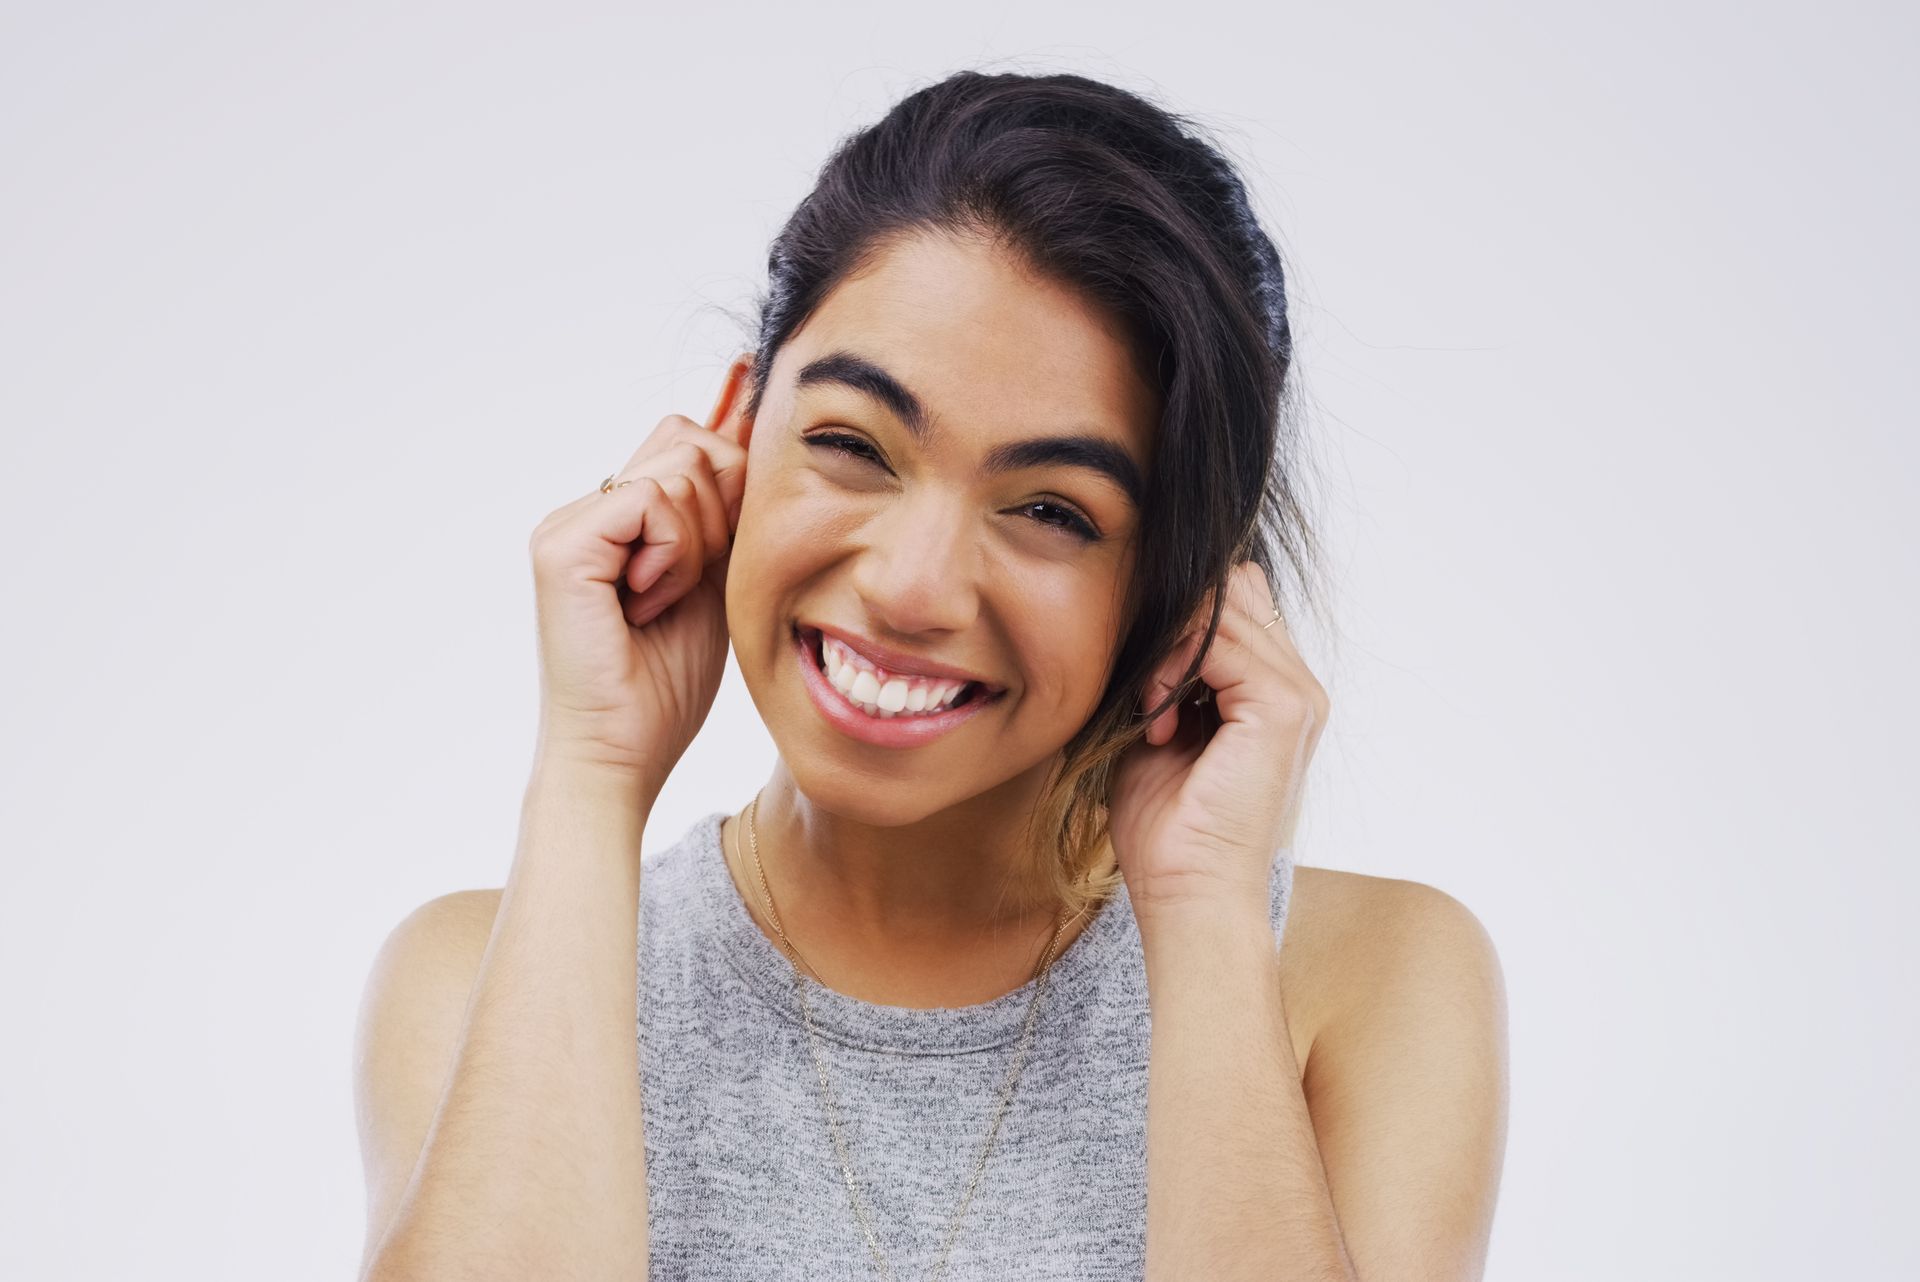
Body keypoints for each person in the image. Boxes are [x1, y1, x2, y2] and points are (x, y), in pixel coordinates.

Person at [351, 69, 1508, 1282]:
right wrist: (592, 773)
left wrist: (1207, 909)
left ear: (1179, 584)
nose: (912, 586)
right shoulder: (474, 978)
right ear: (739, 429)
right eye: (852, 444)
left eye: (1053, 509)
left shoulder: (1369, 978)